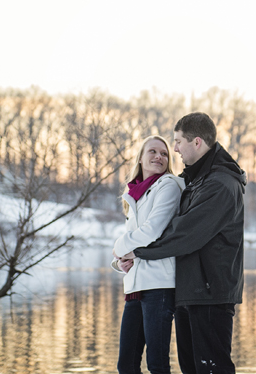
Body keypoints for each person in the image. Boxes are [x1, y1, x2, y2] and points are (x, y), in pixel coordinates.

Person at [124, 112, 246, 374]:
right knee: (192, 368)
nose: (175, 148)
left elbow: (184, 234)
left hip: (210, 293)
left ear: (197, 142)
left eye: (178, 142)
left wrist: (139, 252)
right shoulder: (198, 180)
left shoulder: (220, 184)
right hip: (192, 290)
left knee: (211, 368)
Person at [111, 135, 185, 374]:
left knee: (157, 364)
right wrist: (120, 261)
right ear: (140, 158)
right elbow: (136, 238)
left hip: (159, 285)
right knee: (127, 365)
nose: (159, 157)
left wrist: (118, 247)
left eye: (164, 154)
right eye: (152, 152)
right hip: (135, 287)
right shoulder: (136, 194)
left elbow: (152, 230)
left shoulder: (168, 185)